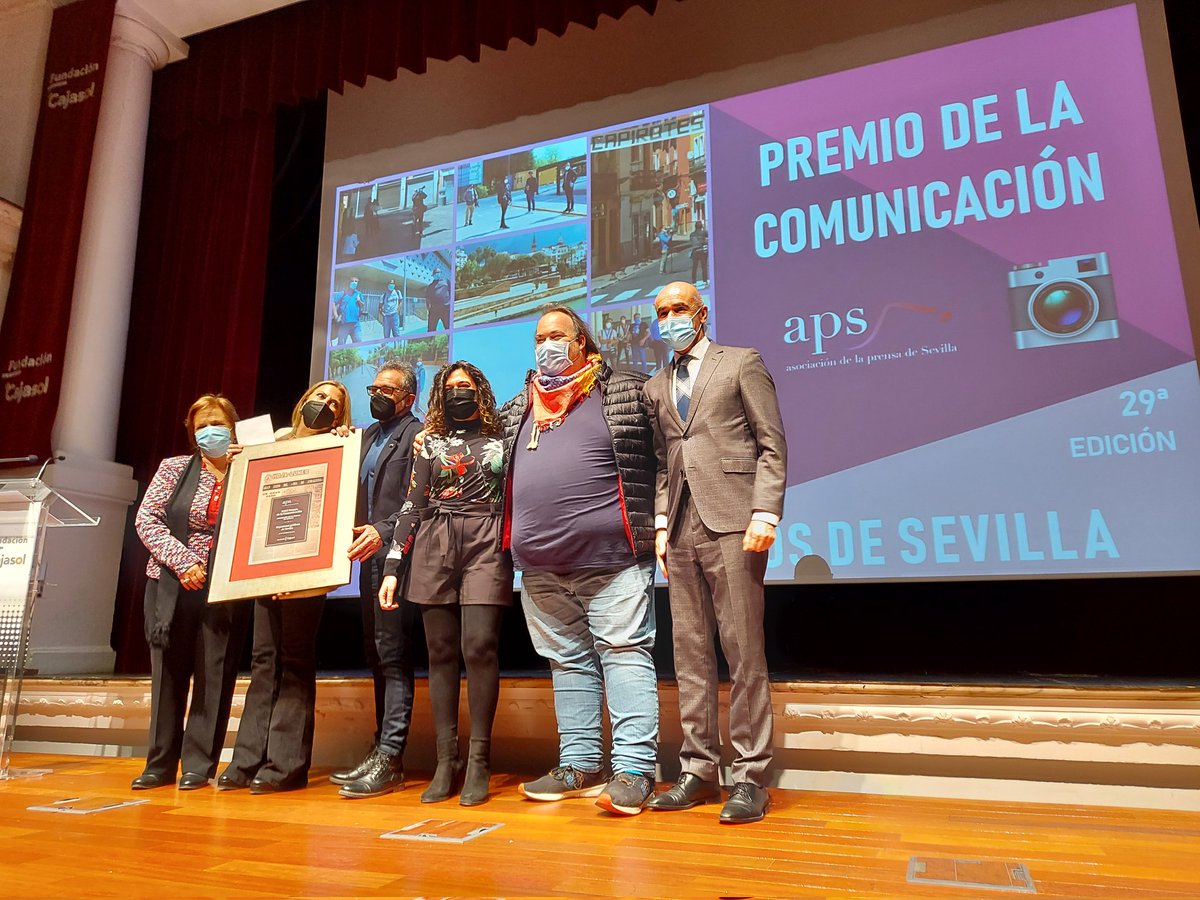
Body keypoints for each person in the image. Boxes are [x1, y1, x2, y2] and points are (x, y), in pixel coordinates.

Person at [503, 308, 660, 816]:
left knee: (624, 653)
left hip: (613, 558)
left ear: (582, 343)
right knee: (567, 663)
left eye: (557, 336)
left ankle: (635, 771)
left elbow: (663, 459)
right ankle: (580, 765)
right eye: (539, 337)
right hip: (540, 566)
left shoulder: (624, 390)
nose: (547, 344)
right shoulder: (518, 407)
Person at [643, 281, 787, 825]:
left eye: (679, 308)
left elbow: (771, 441)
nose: (671, 317)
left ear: (701, 313)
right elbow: (663, 462)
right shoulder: (658, 386)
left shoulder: (740, 362)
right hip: (679, 527)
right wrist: (660, 524)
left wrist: (765, 512)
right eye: (662, 312)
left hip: (734, 519)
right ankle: (699, 769)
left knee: (744, 649)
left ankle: (750, 775)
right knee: (691, 654)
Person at [379, 362, 511, 806]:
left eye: (467, 386)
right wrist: (393, 565)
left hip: (486, 539)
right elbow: (411, 505)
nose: (459, 393)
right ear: (440, 394)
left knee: (479, 647)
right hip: (435, 539)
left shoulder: (502, 438)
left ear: (481, 391)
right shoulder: (428, 443)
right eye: (452, 387)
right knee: (439, 653)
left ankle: (479, 761)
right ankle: (445, 759)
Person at [217, 380, 353, 794]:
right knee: (262, 664)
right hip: (264, 568)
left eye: (334, 403)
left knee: (294, 665)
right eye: (319, 397)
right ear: (302, 400)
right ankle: (244, 762)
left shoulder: (340, 445)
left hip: (306, 578)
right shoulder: (271, 441)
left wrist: (343, 443)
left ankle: (285, 766)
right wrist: (238, 463)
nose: (325, 405)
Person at [131, 394, 251, 791]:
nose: (209, 431)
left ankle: (199, 765)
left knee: (214, 675)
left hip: (225, 586)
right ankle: (159, 763)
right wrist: (184, 563)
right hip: (170, 583)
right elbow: (147, 520)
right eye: (200, 426)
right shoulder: (173, 469)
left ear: (233, 425)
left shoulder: (252, 466)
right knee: (168, 676)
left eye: (216, 423)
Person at [335, 362, 424, 798]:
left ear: (408, 397)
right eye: (374, 388)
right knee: (375, 654)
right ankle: (378, 749)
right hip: (366, 560)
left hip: (398, 558)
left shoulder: (417, 434)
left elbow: (418, 498)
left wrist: (384, 529)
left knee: (393, 655)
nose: (378, 395)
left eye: (388, 390)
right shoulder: (365, 436)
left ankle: (392, 758)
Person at [334, 278, 365, 345]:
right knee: (341, 345)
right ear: (349, 282)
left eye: (356, 281)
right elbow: (333, 303)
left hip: (356, 324)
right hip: (344, 324)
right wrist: (336, 316)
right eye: (352, 281)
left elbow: (363, 306)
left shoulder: (359, 294)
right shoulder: (342, 293)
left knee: (359, 343)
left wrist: (359, 301)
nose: (354, 283)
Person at [426, 267, 450, 332]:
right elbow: (427, 299)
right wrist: (429, 309)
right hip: (434, 310)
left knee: (448, 327)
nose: (437, 274)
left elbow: (451, 292)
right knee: (431, 329)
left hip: (445, 308)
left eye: (438, 272)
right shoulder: (430, 286)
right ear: (433, 275)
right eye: (436, 273)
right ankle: (431, 341)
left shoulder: (446, 281)